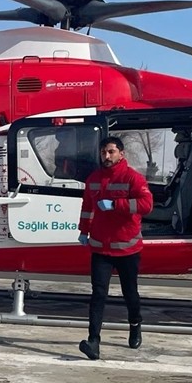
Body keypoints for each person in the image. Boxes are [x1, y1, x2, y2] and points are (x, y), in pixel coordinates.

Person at [76, 136, 154, 360]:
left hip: (127, 249)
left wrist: (116, 205)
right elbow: (87, 207)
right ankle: (93, 341)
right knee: (98, 294)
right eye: (104, 152)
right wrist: (83, 230)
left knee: (130, 293)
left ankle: (135, 324)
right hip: (100, 248)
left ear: (121, 154)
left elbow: (147, 205)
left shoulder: (133, 178)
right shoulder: (94, 179)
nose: (106, 156)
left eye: (111, 152)